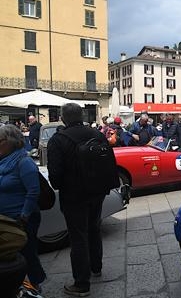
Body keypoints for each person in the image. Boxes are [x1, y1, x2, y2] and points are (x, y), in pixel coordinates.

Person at [47, 103, 118, 296]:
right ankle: (96, 267)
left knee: (78, 236)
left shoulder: (58, 140)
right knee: (94, 228)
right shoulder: (97, 135)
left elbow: (55, 178)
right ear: (81, 115)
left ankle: (81, 284)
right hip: (98, 192)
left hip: (73, 197)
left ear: (63, 118)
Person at [0, 124, 46, 297]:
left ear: (9, 142)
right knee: (10, 254)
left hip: (22, 218)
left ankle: (35, 283)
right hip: (5, 218)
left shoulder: (23, 161)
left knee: (27, 253)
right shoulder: (3, 160)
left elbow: (33, 191)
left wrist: (24, 215)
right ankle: (16, 284)